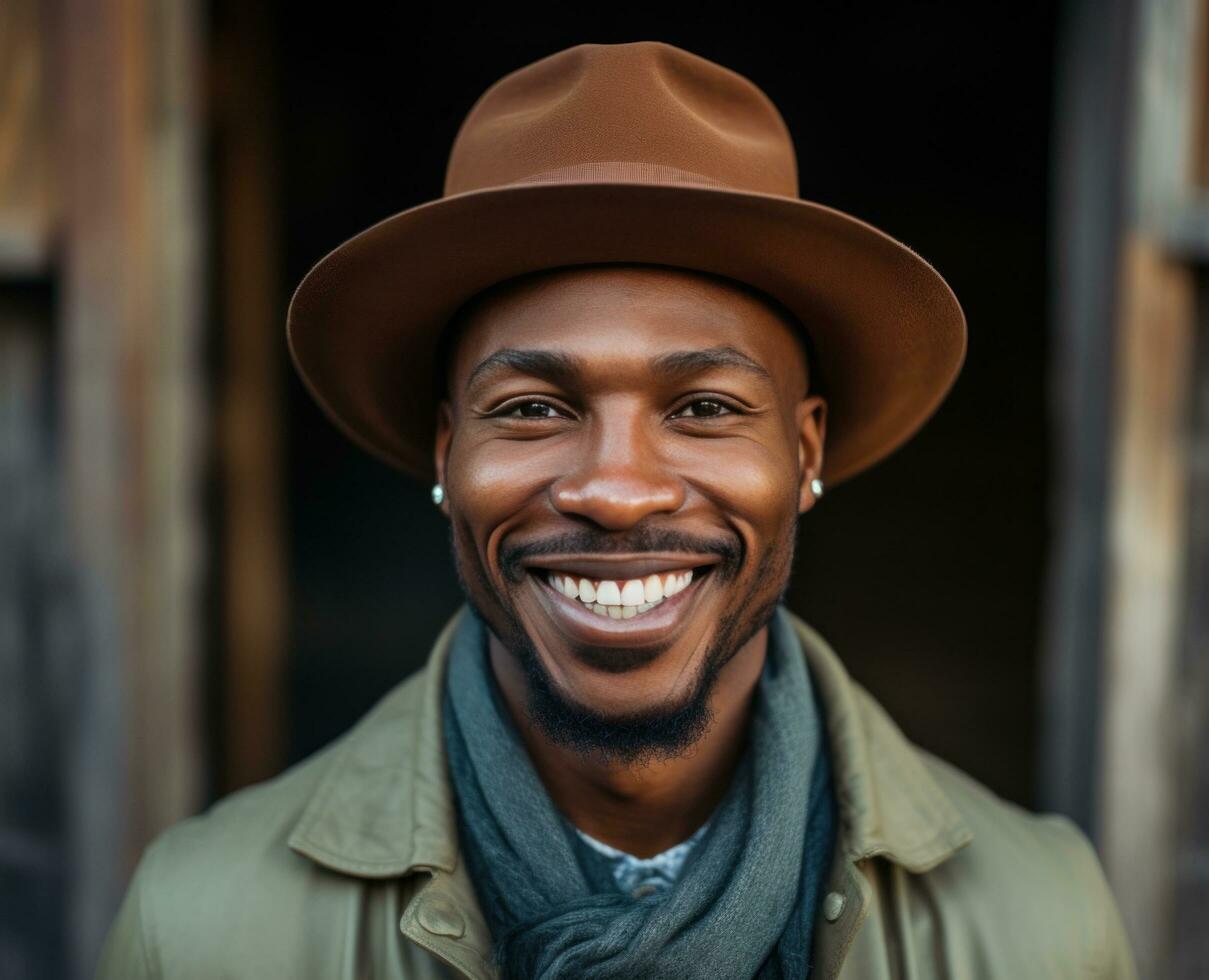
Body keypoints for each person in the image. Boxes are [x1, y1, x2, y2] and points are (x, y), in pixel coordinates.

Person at [96, 40, 1137, 979]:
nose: (617, 489)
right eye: (536, 407)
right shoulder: (202, 928)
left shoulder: (1040, 923)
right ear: (449, 451)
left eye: (705, 407)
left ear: (804, 450)